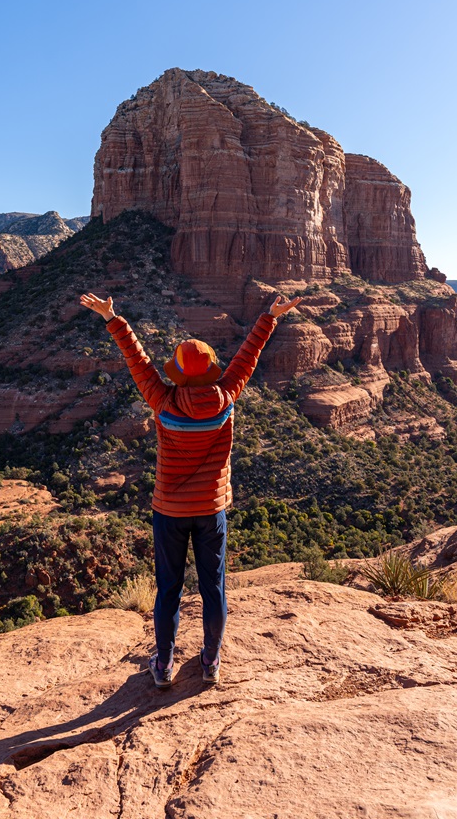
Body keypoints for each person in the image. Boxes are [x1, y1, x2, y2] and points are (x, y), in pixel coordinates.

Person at [80, 289, 301, 687]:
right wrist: (270, 316)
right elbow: (247, 357)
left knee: (169, 589)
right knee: (213, 587)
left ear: (179, 373)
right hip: (211, 509)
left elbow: (139, 362)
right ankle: (211, 661)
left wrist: (114, 319)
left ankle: (163, 665)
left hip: (169, 511)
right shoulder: (227, 394)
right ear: (212, 370)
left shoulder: (162, 400)